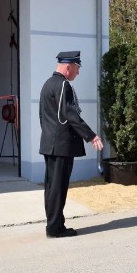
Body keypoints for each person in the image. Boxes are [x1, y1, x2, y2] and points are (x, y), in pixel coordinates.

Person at [39, 51, 103, 238]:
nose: (78, 72)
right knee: (58, 188)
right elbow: (70, 114)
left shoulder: (47, 84)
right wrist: (90, 136)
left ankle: (55, 224)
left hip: (50, 143)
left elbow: (43, 117)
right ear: (68, 67)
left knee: (52, 188)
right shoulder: (63, 85)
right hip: (61, 145)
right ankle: (55, 228)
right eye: (77, 68)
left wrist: (49, 136)